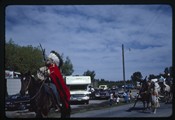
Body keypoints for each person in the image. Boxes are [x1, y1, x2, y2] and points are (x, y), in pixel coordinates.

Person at [46, 50, 71, 118]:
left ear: (52, 61)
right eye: (47, 59)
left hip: (52, 83)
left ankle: (57, 105)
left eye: (48, 59)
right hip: (45, 82)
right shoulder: (47, 67)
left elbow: (55, 75)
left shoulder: (54, 67)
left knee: (53, 89)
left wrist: (49, 74)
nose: (47, 60)